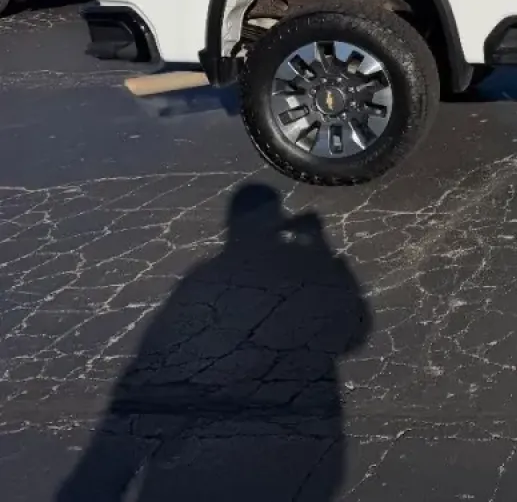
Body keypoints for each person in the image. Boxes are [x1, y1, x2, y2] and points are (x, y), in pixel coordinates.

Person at [56, 184, 371, 502]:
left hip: (215, 466)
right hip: (292, 460)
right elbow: (352, 333)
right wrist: (319, 249)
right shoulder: (302, 268)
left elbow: (151, 370)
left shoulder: (203, 279)